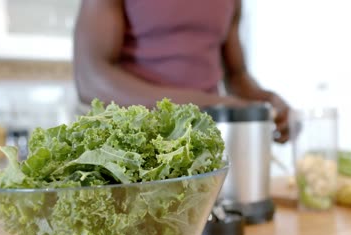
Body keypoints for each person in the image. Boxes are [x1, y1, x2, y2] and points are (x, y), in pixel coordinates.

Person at [73, 0, 290, 143]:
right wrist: (208, 105)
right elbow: (90, 78)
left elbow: (237, 75)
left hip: (205, 145)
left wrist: (269, 101)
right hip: (137, 147)